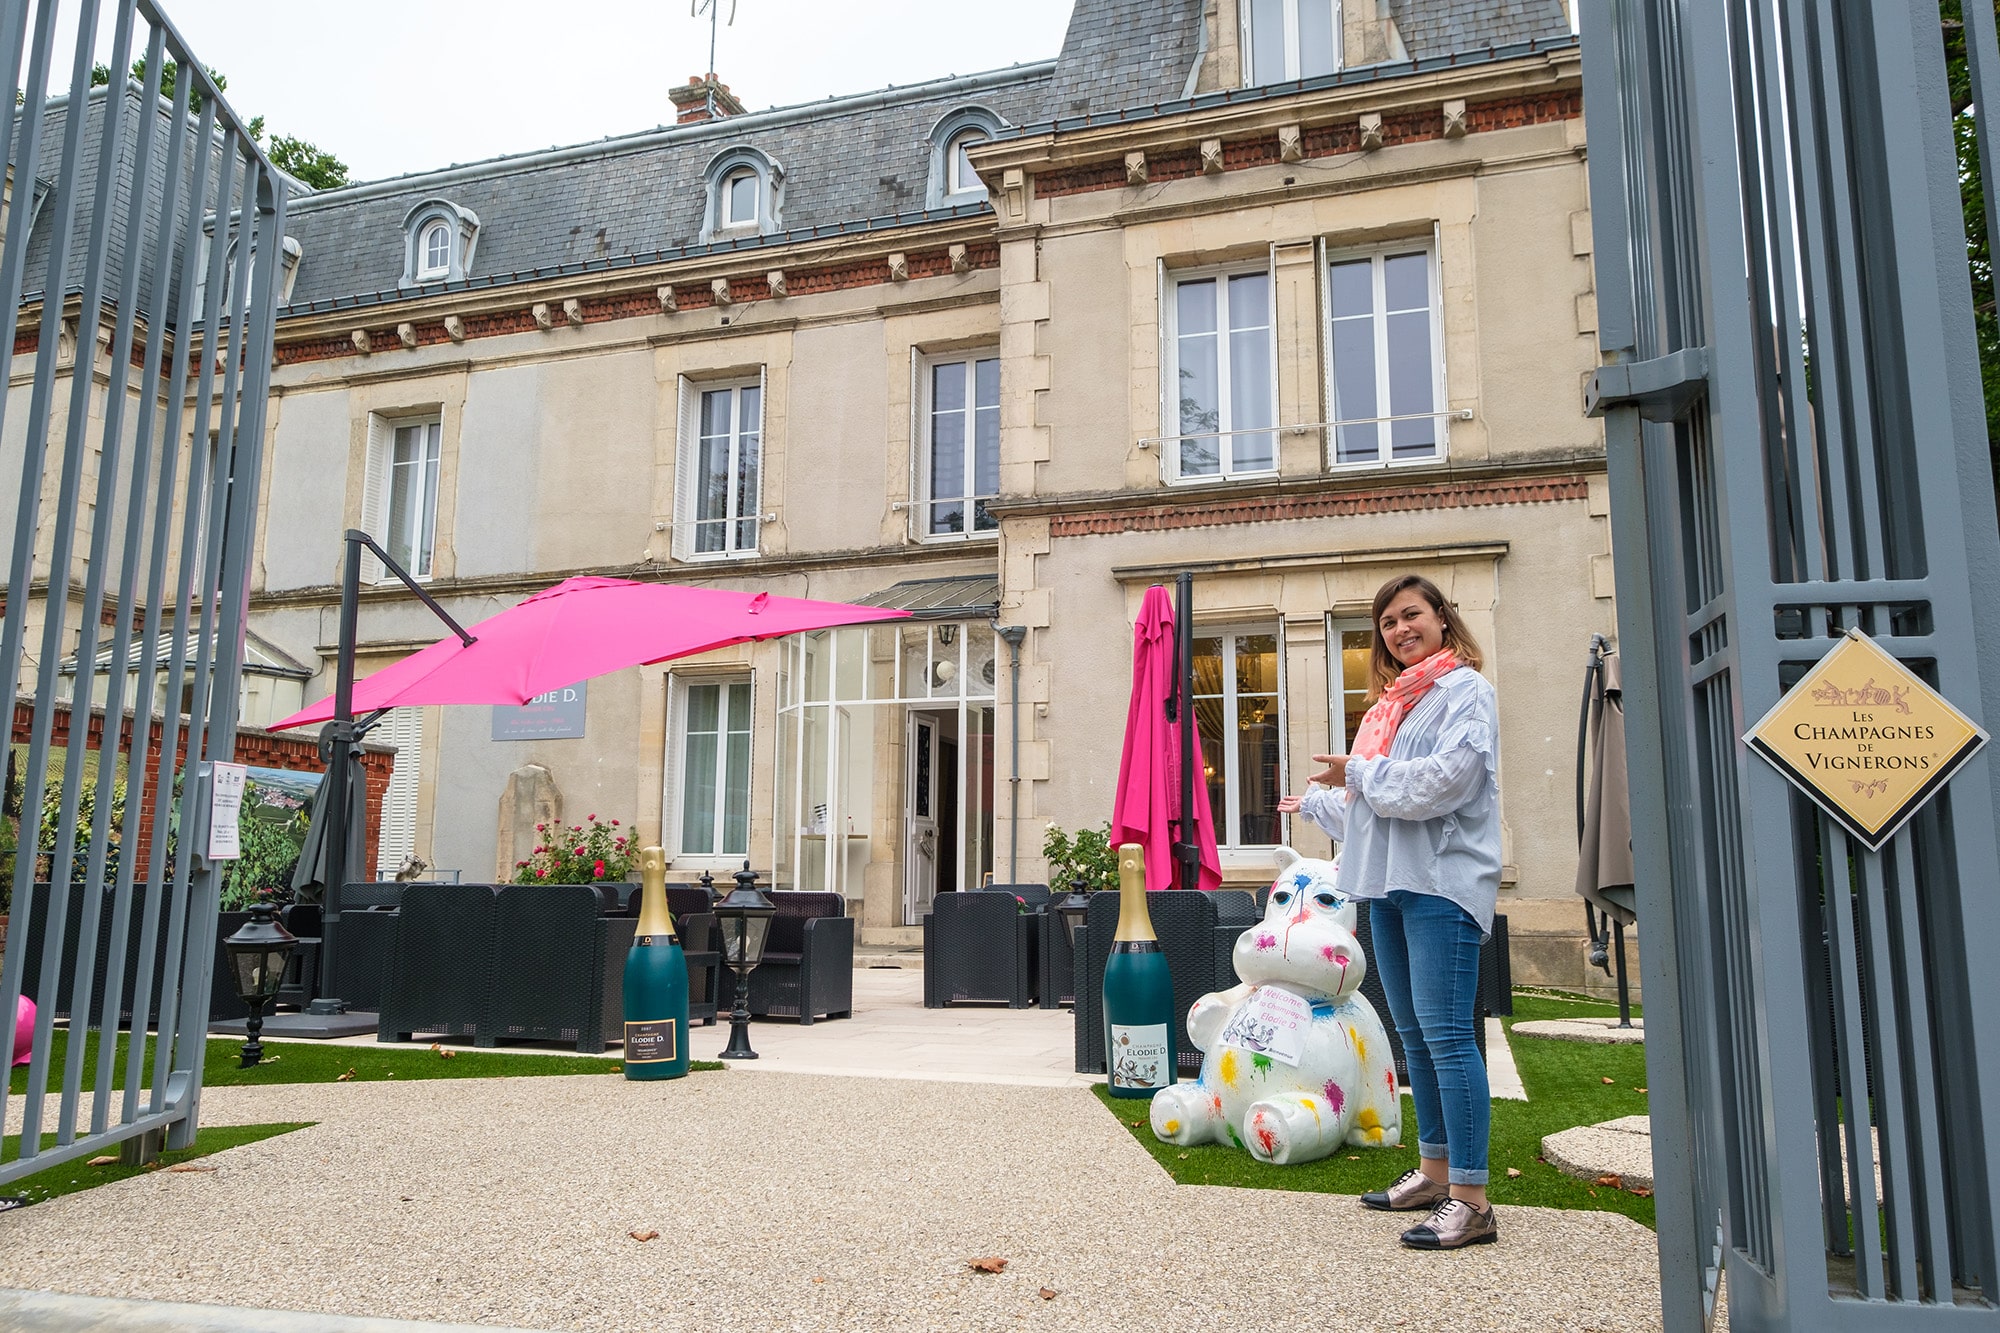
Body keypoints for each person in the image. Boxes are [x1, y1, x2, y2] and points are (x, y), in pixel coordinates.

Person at [1277, 572, 1501, 1249]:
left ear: (1442, 618)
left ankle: (1473, 1198)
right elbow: (1375, 811)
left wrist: (1360, 774)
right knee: (1418, 1038)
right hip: (1388, 885)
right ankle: (1435, 1172)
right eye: (1389, 623)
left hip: (1441, 884)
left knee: (1448, 1038)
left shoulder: (1466, 692)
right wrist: (1318, 802)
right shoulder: (1394, 704)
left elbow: (1442, 784)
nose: (1401, 630)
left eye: (1412, 615)